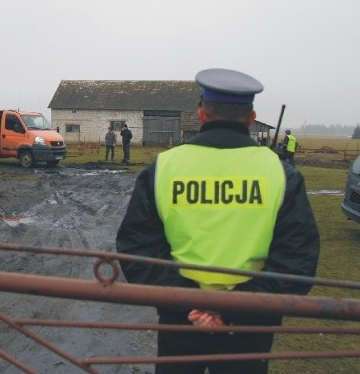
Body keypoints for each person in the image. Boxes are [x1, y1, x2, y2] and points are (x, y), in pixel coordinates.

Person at [116, 68, 320, 374]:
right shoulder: (280, 174)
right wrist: (238, 307)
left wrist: (190, 305)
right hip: (251, 326)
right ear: (251, 119)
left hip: (181, 319)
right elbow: (297, 260)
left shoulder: (165, 167)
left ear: (201, 114)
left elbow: (136, 246)